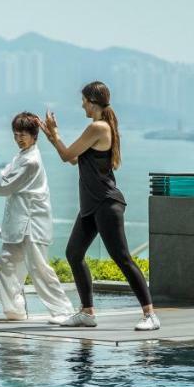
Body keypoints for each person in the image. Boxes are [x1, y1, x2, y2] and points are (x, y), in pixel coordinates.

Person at [40, 82, 160, 331]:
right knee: (74, 253)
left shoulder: (98, 127)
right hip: (91, 205)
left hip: (106, 203)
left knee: (122, 257)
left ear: (93, 102)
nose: (82, 104)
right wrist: (53, 137)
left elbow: (66, 155)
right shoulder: (96, 128)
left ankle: (150, 315)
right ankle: (87, 312)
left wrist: (55, 135)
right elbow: (73, 158)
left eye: (84, 100)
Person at [0, 112, 76, 324]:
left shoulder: (30, 161)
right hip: (21, 222)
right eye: (16, 134)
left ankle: (64, 311)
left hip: (32, 222)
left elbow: (2, 185)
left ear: (34, 135)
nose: (19, 138)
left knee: (39, 268)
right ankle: (14, 310)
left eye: (23, 134)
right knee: (5, 261)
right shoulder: (22, 156)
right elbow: (3, 179)